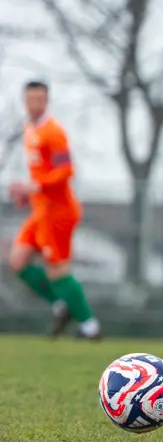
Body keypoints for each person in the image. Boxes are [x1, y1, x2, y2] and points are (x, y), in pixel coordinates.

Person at [7, 81, 101, 340]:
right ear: (24, 101)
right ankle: (61, 307)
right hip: (41, 211)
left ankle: (90, 327)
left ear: (47, 101)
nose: (35, 104)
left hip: (59, 212)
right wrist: (29, 195)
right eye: (30, 99)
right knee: (18, 260)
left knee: (57, 271)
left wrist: (33, 187)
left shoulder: (53, 132)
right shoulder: (29, 129)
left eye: (40, 99)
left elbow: (65, 170)